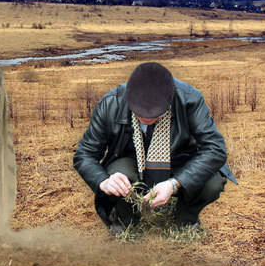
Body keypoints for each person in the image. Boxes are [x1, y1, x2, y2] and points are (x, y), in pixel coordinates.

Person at [73, 62, 237, 233]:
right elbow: (84, 154)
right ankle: (125, 221)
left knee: (212, 182)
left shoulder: (190, 99)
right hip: (129, 162)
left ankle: (185, 219)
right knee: (118, 175)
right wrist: (103, 181)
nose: (146, 117)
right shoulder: (111, 102)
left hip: (180, 161)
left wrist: (174, 184)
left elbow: (215, 149)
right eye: (139, 112)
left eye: (154, 113)